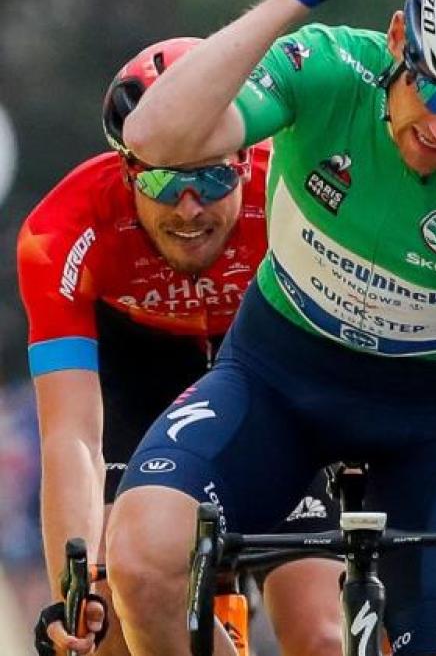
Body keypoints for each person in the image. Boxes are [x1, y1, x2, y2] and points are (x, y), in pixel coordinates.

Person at [103, 0, 436, 656]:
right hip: (278, 379)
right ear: (397, 38)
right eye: (434, 89)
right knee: (141, 560)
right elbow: (153, 137)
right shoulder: (328, 68)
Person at [20, 38, 342, 656]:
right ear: (127, 170)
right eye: (163, 182)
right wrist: (72, 586)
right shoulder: (61, 231)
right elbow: (73, 435)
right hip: (137, 377)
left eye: (214, 177)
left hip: (266, 370)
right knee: (106, 615)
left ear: (247, 160)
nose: (189, 208)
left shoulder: (298, 190)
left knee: (322, 634)